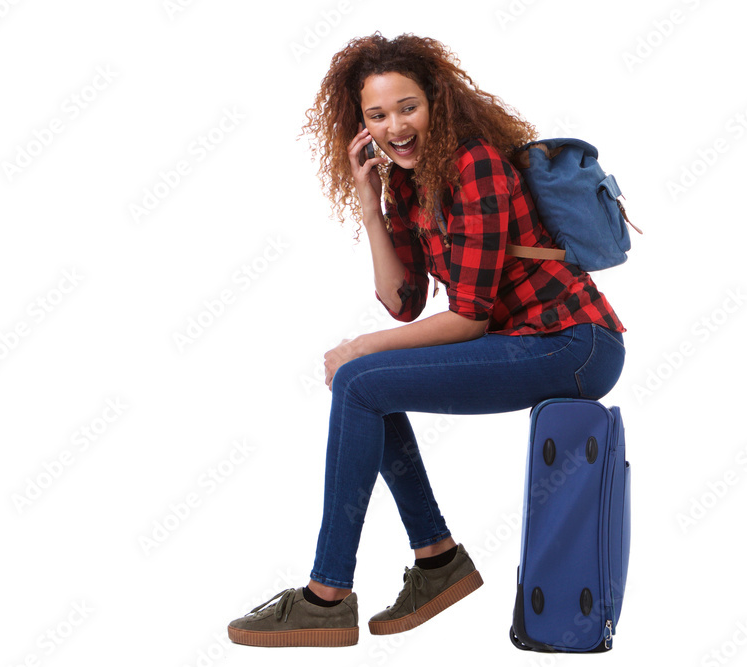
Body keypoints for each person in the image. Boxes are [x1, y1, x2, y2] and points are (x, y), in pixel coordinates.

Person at [226, 31, 628, 648]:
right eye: (377, 115)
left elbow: (467, 318)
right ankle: (436, 561)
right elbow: (404, 301)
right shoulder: (410, 183)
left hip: (575, 344)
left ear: (436, 102)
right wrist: (369, 204)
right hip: (527, 341)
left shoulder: (475, 165)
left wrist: (360, 347)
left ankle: (327, 596)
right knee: (367, 388)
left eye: (406, 107)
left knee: (362, 379)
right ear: (360, 123)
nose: (395, 127)